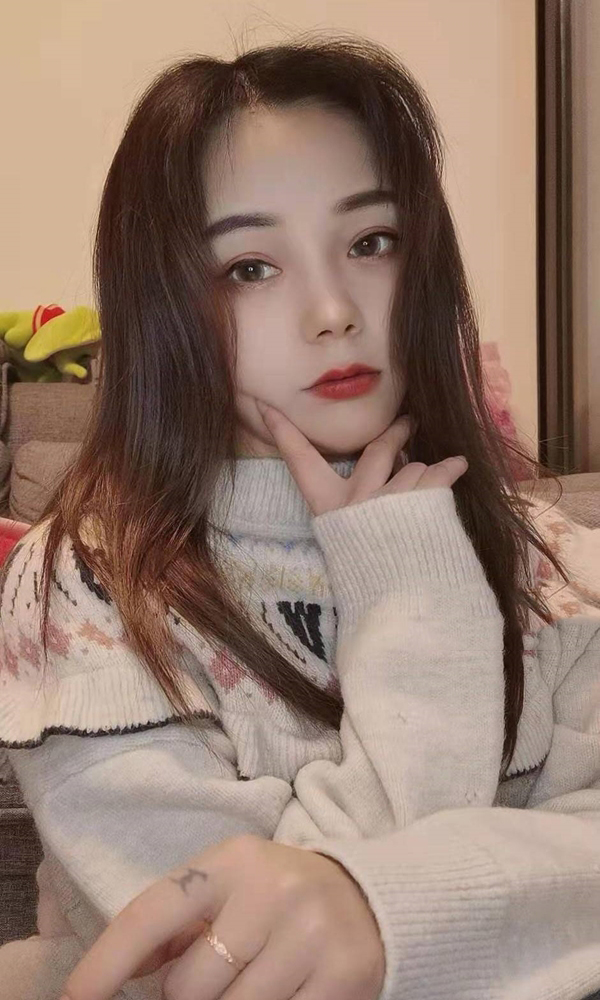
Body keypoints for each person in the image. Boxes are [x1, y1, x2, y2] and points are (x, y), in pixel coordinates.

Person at [1, 31, 599, 1000]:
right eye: (250, 267)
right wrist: (409, 589)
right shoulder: (88, 583)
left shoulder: (553, 558)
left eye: (371, 243)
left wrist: (389, 905)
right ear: (164, 305)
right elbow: (233, 967)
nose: (333, 310)